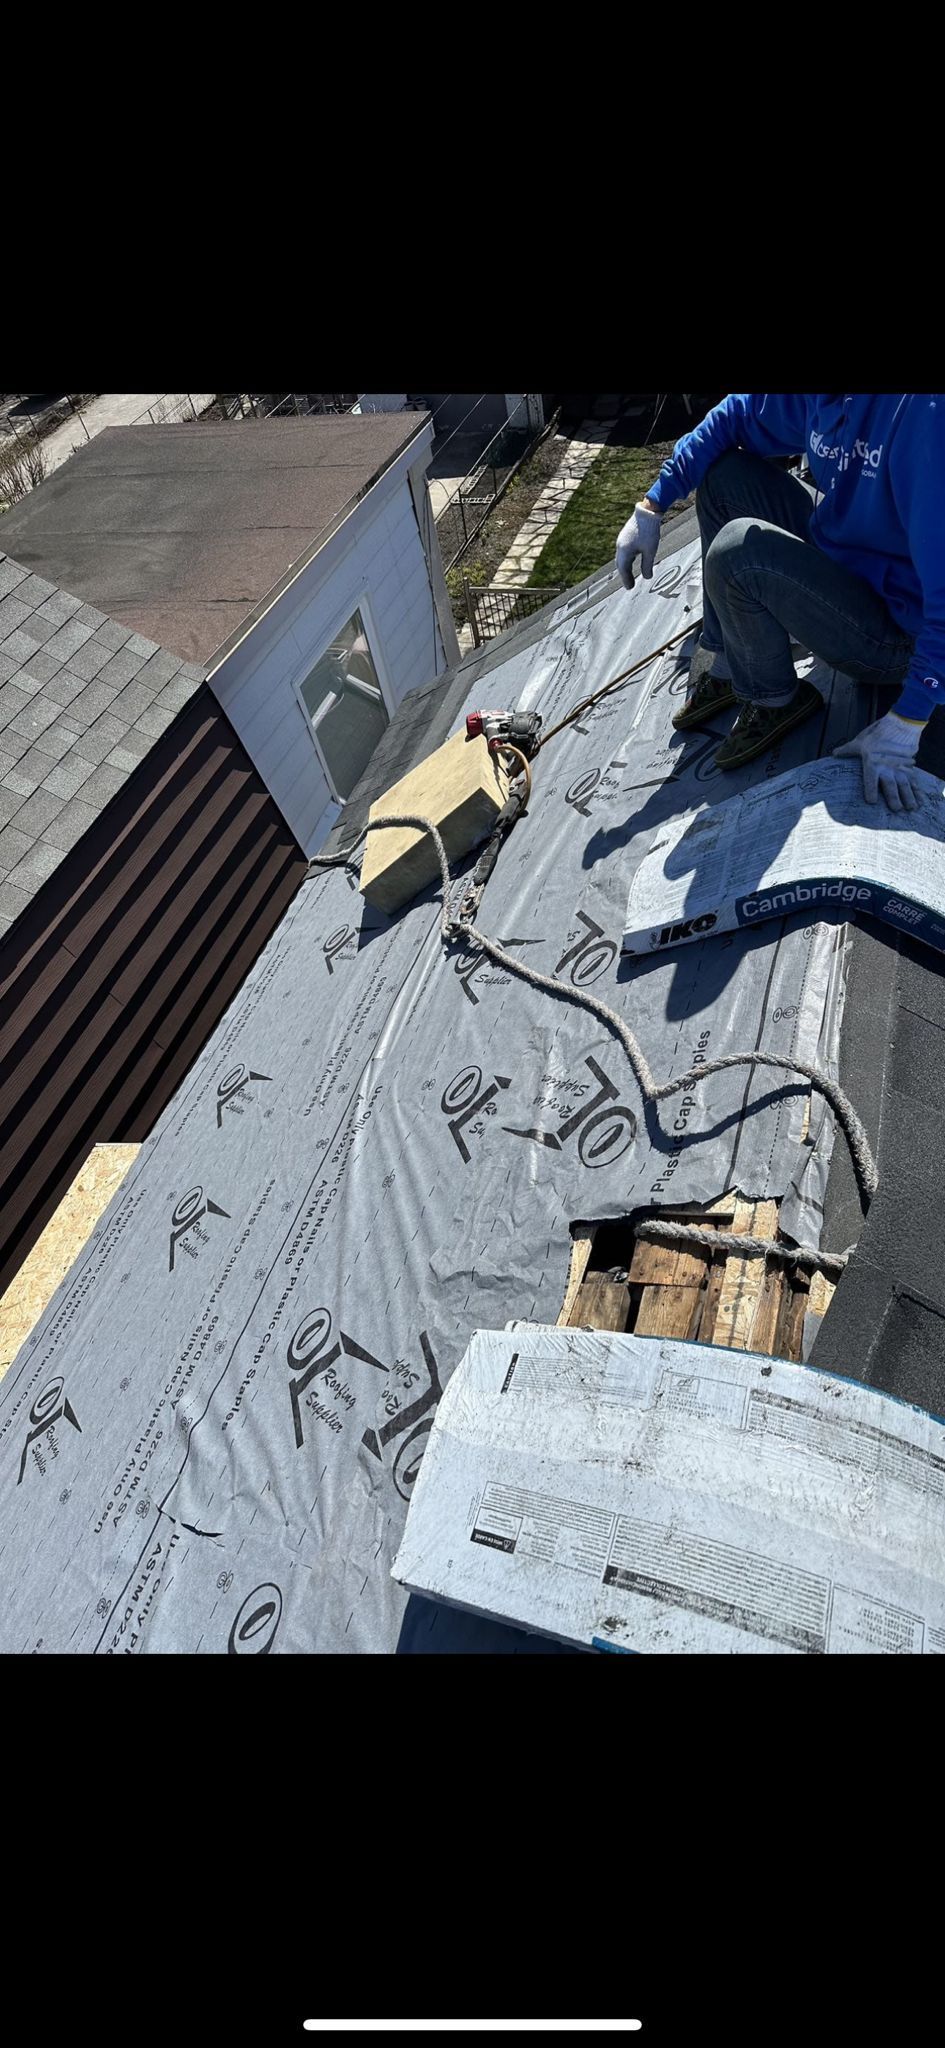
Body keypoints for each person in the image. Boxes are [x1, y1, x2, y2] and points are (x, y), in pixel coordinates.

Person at [614, 394, 945, 812]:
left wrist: (906, 723)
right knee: (725, 477)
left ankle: (774, 699)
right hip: (850, 565)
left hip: (896, 633)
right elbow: (739, 412)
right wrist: (653, 504)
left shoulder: (925, 415)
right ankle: (729, 661)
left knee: (737, 551)